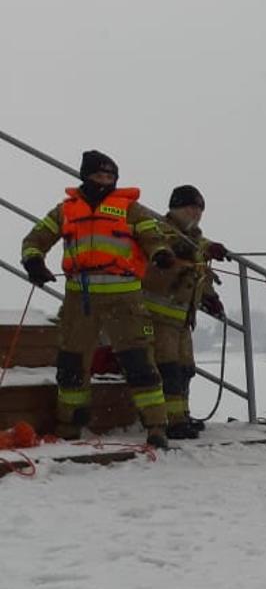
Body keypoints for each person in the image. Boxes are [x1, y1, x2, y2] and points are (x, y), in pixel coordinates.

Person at [19, 150, 176, 448]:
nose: (104, 181)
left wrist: (161, 254)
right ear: (85, 177)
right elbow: (34, 240)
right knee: (72, 364)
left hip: (125, 299)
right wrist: (34, 262)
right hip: (80, 299)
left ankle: (156, 426)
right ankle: (69, 426)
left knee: (140, 362)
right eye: (98, 175)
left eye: (110, 177)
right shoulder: (65, 211)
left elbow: (154, 237)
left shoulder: (131, 208)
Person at [143, 185, 229, 440]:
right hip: (158, 317)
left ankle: (182, 415)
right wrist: (199, 249)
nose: (196, 213)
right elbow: (172, 249)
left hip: (182, 319)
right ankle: (170, 421)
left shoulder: (194, 239)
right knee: (167, 368)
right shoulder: (158, 230)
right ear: (175, 208)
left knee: (185, 369)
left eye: (200, 209)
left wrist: (210, 298)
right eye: (191, 207)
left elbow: (199, 270)